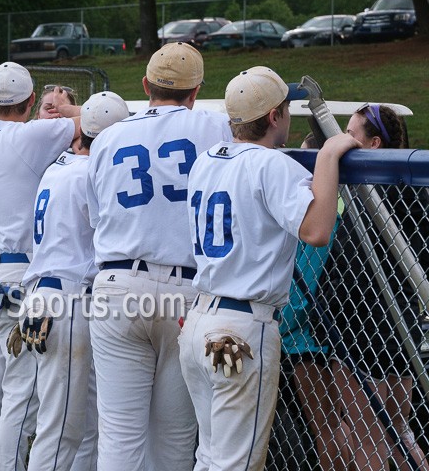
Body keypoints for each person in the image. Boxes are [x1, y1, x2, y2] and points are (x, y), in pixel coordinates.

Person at [177, 66, 361, 471]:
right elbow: (316, 230)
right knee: (236, 463)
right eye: (286, 109)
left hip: (198, 320)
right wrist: (328, 154)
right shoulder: (271, 165)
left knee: (209, 457)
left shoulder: (206, 159)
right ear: (275, 116)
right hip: (243, 328)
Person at [84, 42, 231, 471]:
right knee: (174, 437)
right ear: (196, 90)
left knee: (118, 435)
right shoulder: (215, 126)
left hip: (117, 285)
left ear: (145, 84)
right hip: (186, 289)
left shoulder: (108, 137)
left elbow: (98, 218)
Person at [0, 62, 80, 471]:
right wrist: (65, 111)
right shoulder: (30, 133)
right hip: (15, 275)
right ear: (32, 101)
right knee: (20, 392)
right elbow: (100, 119)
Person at [15, 91, 127, 471]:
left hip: (50, 293)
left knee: (83, 423)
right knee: (61, 426)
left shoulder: (58, 166)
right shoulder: (91, 172)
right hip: (68, 301)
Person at [326, 103, 429, 471]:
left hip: (363, 328)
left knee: (367, 434)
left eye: (350, 135)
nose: (341, 141)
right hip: (400, 326)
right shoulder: (412, 193)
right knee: (399, 432)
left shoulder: (375, 198)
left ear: (372, 145)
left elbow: (346, 266)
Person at [276, 132, 354, 471]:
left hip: (308, 340)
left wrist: (281, 323)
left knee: (329, 430)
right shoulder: (342, 204)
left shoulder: (324, 214)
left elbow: (307, 281)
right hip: (318, 335)